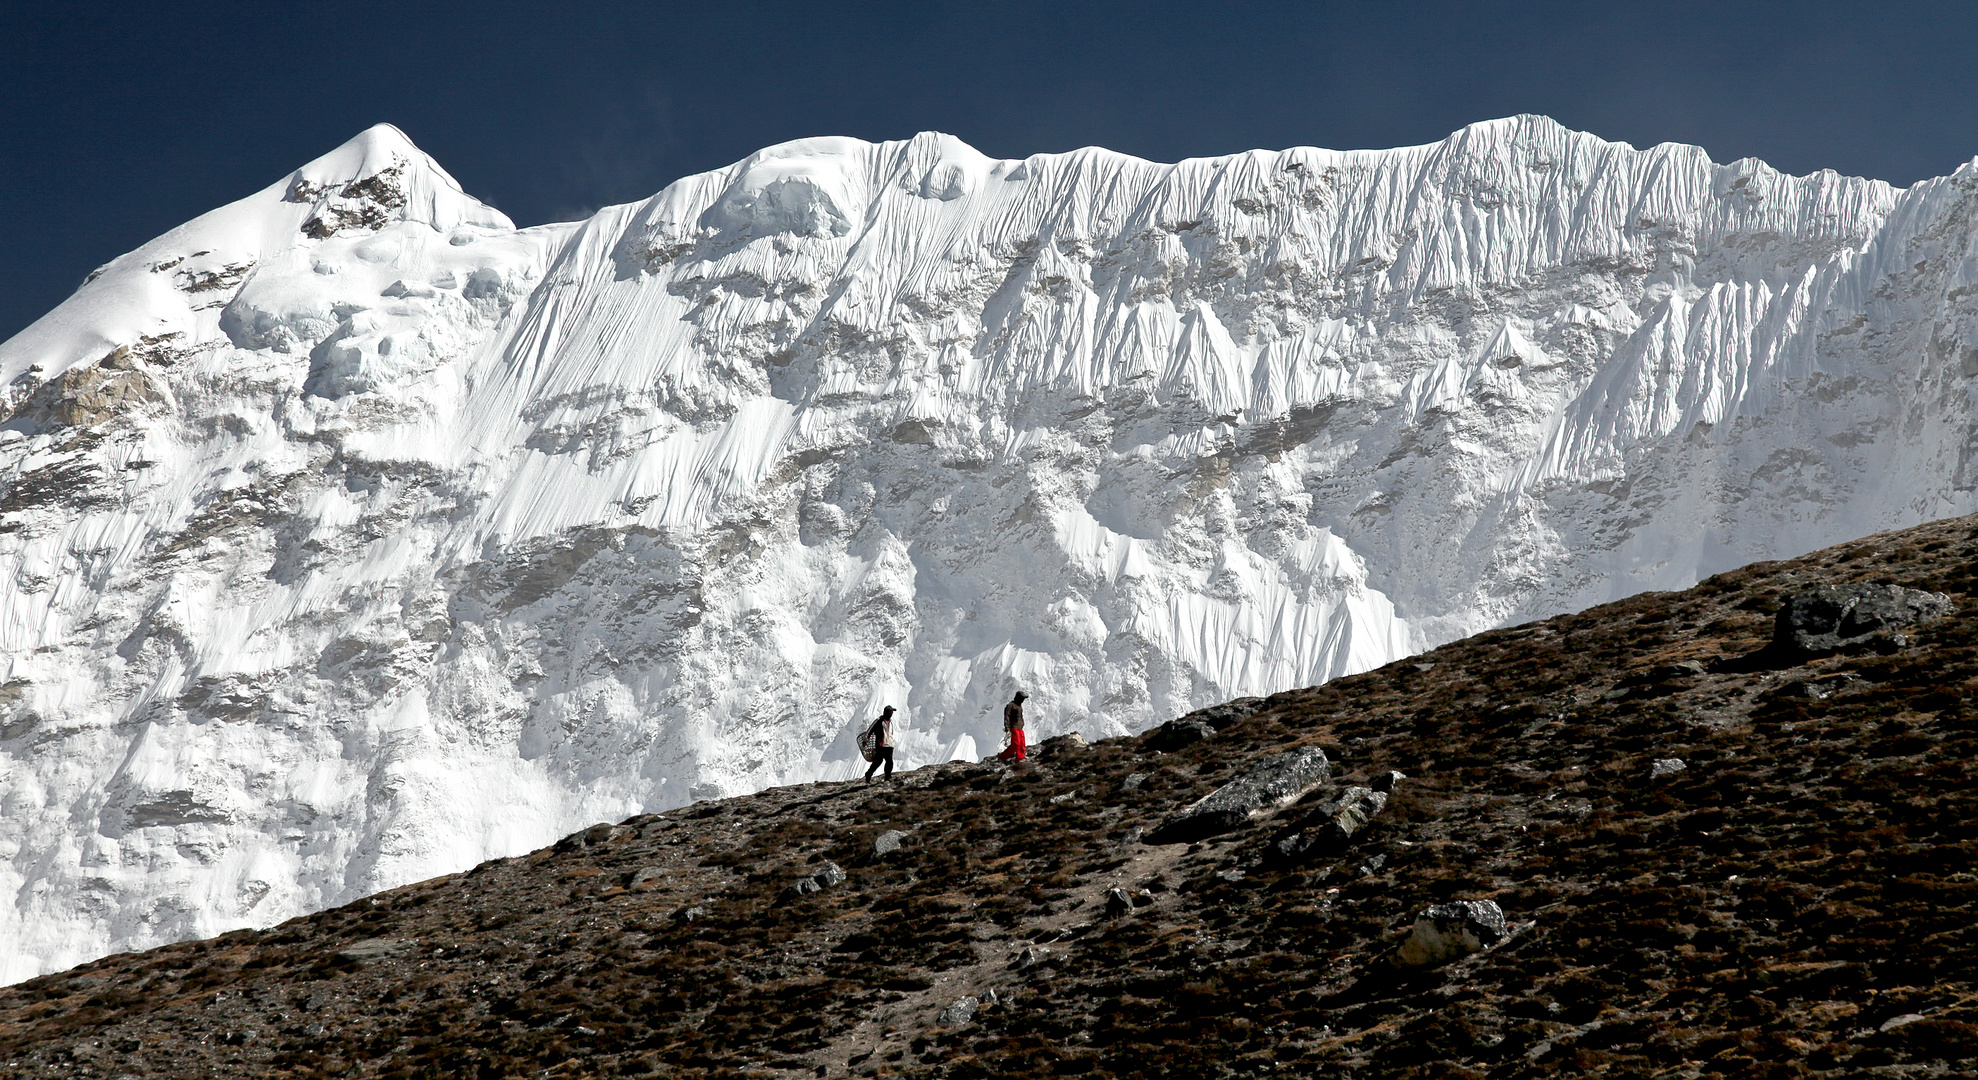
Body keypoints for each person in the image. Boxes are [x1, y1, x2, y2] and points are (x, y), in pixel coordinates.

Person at [864, 706, 897, 782]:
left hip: (889, 745)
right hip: (881, 745)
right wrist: (866, 740)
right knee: (878, 761)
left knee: (889, 761)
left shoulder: (890, 722)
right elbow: (869, 731)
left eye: (892, 712)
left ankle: (887, 777)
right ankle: (869, 774)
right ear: (886, 712)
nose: (891, 714)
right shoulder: (879, 721)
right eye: (890, 712)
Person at [997, 690, 1028, 761]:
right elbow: (1007, 716)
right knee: (1016, 743)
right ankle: (1004, 755)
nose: (1023, 700)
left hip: (1019, 727)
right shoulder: (1011, 705)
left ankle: (1020, 756)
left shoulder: (1019, 706)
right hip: (1014, 727)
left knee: (1022, 743)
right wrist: (1007, 727)